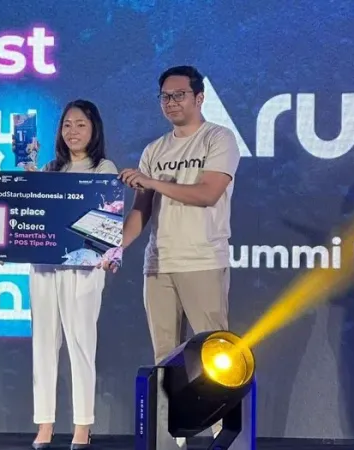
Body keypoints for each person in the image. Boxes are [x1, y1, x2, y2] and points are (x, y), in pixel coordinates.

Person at [106, 66, 240, 448]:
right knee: (165, 357)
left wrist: (151, 181)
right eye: (165, 96)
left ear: (199, 97)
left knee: (214, 356)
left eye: (179, 95)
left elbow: (207, 194)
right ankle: (171, 438)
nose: (171, 102)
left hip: (202, 260)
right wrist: (116, 246)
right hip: (158, 264)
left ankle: (223, 436)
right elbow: (141, 210)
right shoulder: (154, 150)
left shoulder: (218, 138)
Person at [28, 100, 118, 450]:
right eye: (67, 124)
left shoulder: (103, 167)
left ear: (94, 129)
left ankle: (82, 425)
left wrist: (110, 254)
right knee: (43, 343)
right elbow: (30, 207)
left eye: (81, 124)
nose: (73, 131)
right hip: (45, 267)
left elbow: (106, 220)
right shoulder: (50, 168)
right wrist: (28, 168)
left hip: (83, 268)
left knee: (81, 343)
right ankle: (45, 423)